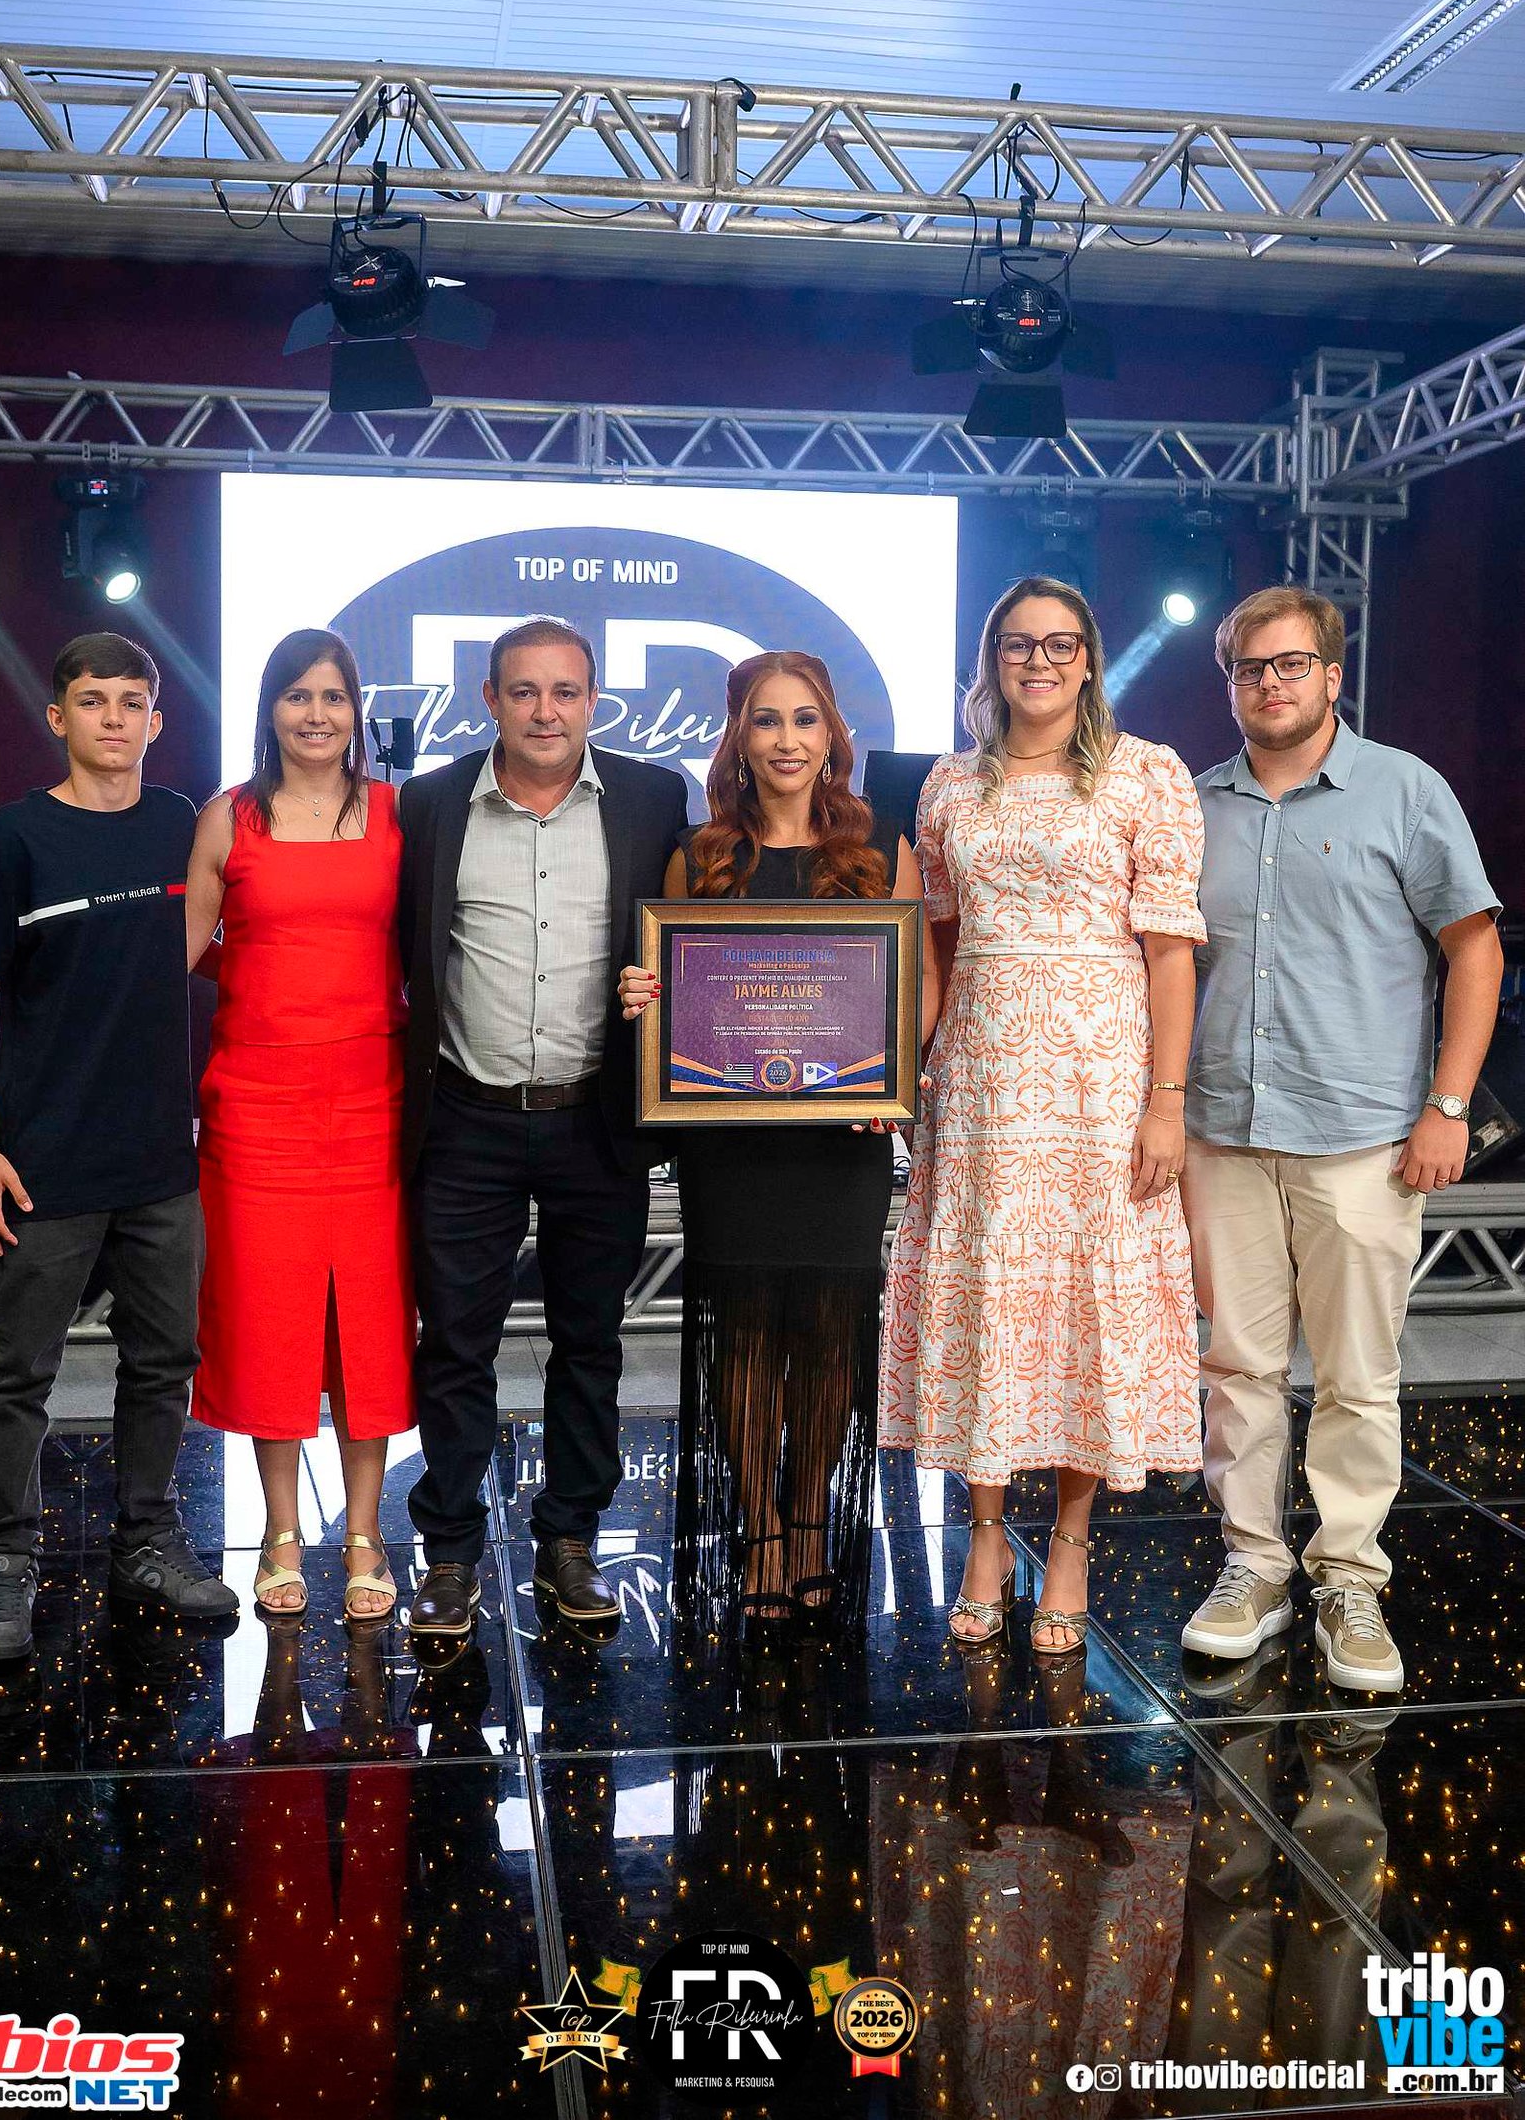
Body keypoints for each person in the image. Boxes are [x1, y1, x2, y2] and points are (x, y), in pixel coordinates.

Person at [1179, 585, 1502, 1694]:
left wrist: (1448, 1106)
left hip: (1364, 1135)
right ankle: (1253, 1567)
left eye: (1289, 664)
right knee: (1236, 1367)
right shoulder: (1190, 806)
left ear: (1331, 673)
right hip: (1222, 1132)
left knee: (1360, 1376)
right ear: (1229, 683)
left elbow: (1473, 949)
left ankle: (1350, 1578)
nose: (1269, 684)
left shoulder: (1405, 790)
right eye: (1248, 668)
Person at [879, 578, 1207, 1656]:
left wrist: (1166, 1103)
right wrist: (897, 1074)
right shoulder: (947, 786)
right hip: (979, 1085)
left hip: (1099, 1085)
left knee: (1081, 1307)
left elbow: (1170, 956)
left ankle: (1068, 1543)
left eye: (1060, 645)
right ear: (991, 660)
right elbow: (931, 951)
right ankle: (983, 1536)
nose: (1038, 662)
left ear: (1089, 659)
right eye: (1018, 644)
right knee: (990, 1297)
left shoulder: (1145, 774)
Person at [617, 652, 940, 1639]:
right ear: (738, 737)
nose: (788, 740)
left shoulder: (879, 849)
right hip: (733, 1145)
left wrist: (888, 1074)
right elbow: (673, 988)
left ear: (832, 735)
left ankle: (810, 1526)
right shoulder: (701, 854)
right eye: (767, 720)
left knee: (831, 1339)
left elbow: (921, 979)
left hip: (841, 1140)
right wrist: (644, 995)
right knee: (746, 1340)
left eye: (805, 720)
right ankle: (757, 1531)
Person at [398, 617, 689, 1642]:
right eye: (523, 691)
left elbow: (686, 936)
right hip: (464, 1118)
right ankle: (450, 1553)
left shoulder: (653, 798)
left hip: (593, 1118)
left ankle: (570, 1537)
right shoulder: (430, 803)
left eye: (565, 692)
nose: (545, 712)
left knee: (590, 1343)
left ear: (594, 700)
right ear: (489, 700)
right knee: (454, 1345)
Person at [0, 631, 239, 1659]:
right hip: (45, 1159)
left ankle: (146, 1539)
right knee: (17, 1375)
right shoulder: (15, 836)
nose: (112, 718)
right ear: (58, 716)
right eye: (91, 700)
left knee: (164, 1362)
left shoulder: (177, 824)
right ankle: (6, 1559)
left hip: (160, 1155)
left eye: (130, 702)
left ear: (156, 720)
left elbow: (207, 944)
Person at [185, 628, 416, 1622]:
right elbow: (176, 956)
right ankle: (281, 1530)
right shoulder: (225, 818)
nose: (315, 714)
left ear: (356, 710)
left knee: (371, 1320)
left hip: (371, 1103)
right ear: (270, 709)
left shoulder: (397, 816)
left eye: (333, 696)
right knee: (266, 1315)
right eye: (296, 696)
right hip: (256, 1103)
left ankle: (365, 1532)